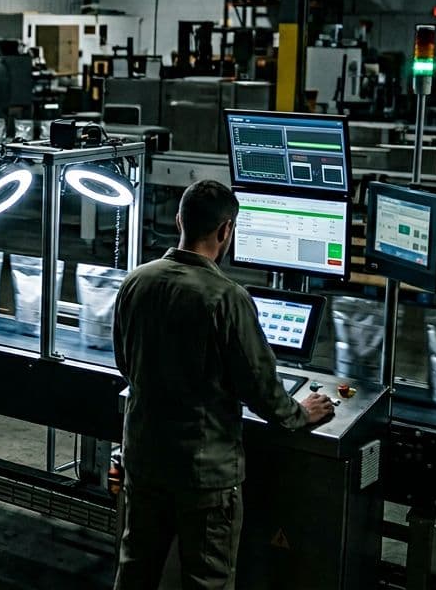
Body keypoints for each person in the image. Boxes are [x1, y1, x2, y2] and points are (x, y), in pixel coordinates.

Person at [111, 180, 335, 590]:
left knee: (136, 570)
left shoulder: (136, 281)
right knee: (207, 580)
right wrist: (300, 413)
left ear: (179, 220)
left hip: (143, 459)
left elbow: (126, 364)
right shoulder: (226, 297)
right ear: (226, 231)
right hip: (204, 474)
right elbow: (262, 387)